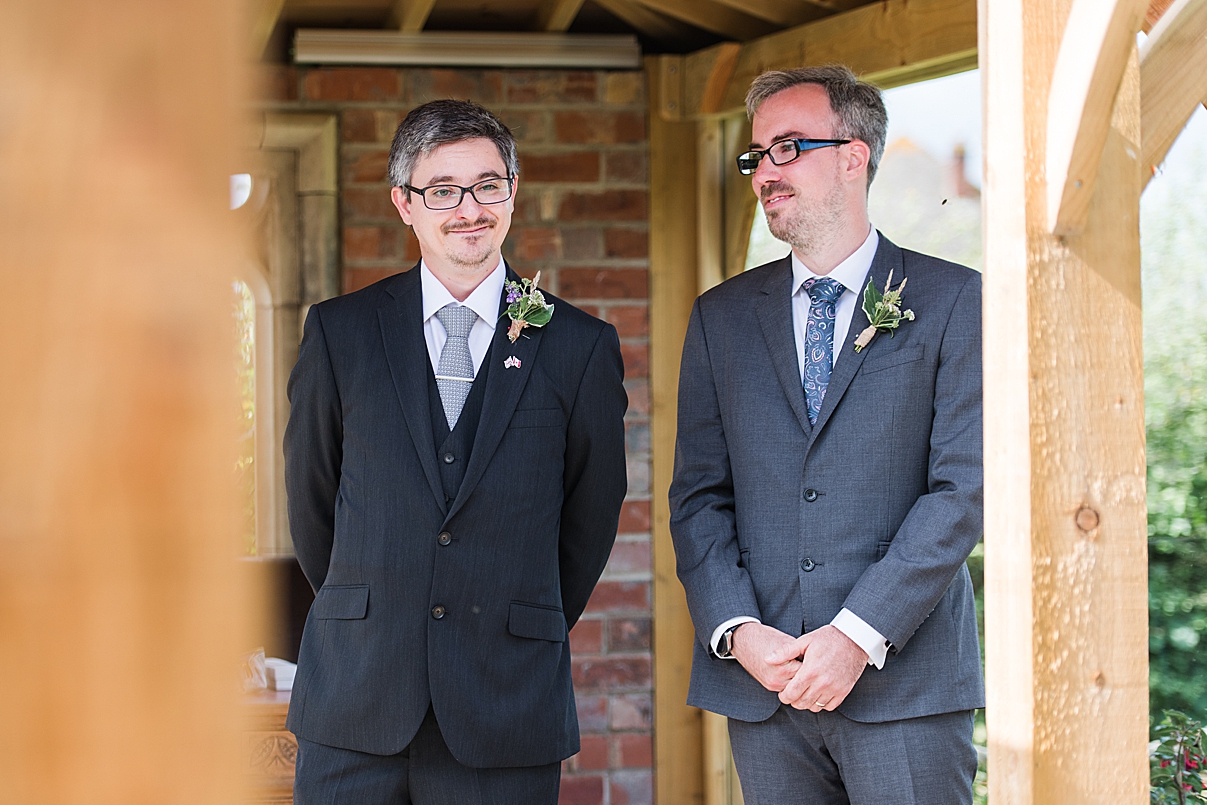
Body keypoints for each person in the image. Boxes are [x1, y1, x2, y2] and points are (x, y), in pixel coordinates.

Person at [283, 99, 628, 805]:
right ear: (405, 204)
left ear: (512, 191)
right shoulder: (339, 333)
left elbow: (591, 513)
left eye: (487, 185)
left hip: (505, 704)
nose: (469, 209)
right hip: (356, 701)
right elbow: (311, 502)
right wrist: (374, 611)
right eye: (442, 190)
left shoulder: (579, 346)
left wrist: (516, 620)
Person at [668, 65, 984, 804]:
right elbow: (697, 496)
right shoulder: (720, 316)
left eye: (788, 148)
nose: (764, 173)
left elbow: (961, 490)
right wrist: (738, 630)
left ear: (853, 156)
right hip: (764, 685)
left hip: (902, 685)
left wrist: (856, 633)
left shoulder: (950, 299)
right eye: (756, 156)